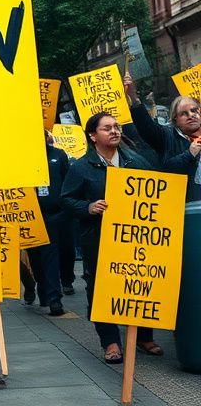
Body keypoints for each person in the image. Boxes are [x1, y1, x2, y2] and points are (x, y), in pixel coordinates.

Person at [60, 112, 162, 363]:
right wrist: (88, 207)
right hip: (98, 239)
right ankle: (111, 342)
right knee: (101, 289)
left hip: (135, 239)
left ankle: (143, 336)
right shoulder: (81, 167)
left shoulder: (136, 161)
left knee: (138, 283)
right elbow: (66, 199)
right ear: (93, 136)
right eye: (107, 128)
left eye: (116, 127)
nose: (115, 131)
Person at [124, 72, 201, 200]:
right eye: (183, 113)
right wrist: (134, 98)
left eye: (194, 110)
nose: (191, 115)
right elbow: (147, 127)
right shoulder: (167, 136)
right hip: (185, 206)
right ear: (175, 119)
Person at [27, 133, 70, 316]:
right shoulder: (23, 157)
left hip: (54, 214)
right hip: (30, 215)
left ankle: (54, 299)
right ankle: (43, 289)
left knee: (50, 256)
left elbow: (68, 181)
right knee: (35, 258)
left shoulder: (58, 155)